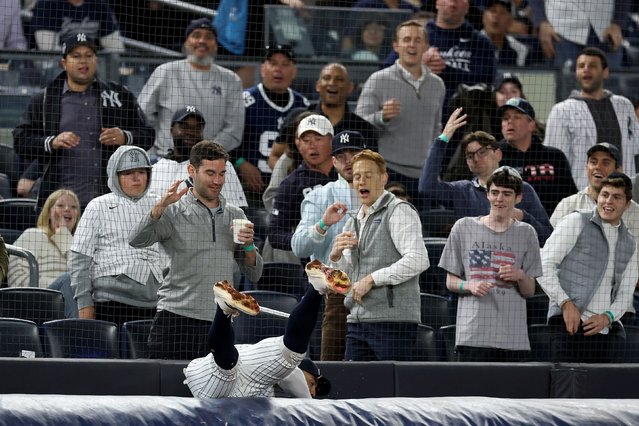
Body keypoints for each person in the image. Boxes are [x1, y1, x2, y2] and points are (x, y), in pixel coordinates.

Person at [130, 141, 263, 360]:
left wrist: (249, 246)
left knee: (218, 394)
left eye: (222, 173)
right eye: (210, 173)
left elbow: (254, 274)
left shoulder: (236, 214)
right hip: (175, 319)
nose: (217, 181)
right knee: (168, 394)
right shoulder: (173, 210)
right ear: (192, 170)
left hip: (220, 321)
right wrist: (159, 208)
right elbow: (136, 240)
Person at [13, 32, 155, 209]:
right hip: (60, 207)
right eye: (76, 56)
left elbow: (148, 135)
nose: (83, 61)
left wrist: (124, 137)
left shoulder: (119, 95)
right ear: (63, 63)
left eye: (89, 55)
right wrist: (52, 142)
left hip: (110, 204)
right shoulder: (43, 100)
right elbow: (20, 141)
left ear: (96, 60)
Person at [330, 149, 430, 361]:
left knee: (389, 392)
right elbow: (346, 278)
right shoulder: (353, 221)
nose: (361, 181)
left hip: (392, 323)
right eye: (357, 176)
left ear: (383, 178)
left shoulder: (399, 211)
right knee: (355, 391)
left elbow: (418, 259)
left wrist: (372, 279)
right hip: (357, 321)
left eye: (368, 175)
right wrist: (336, 256)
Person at [439, 166, 542, 361]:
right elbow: (450, 281)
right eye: (494, 192)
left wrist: (520, 275)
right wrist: (469, 285)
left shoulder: (527, 233)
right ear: (487, 194)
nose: (499, 199)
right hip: (473, 335)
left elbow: (529, 291)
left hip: (513, 337)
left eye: (506, 194)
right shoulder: (464, 227)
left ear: (518, 198)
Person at [539, 173, 638, 363]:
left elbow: (626, 292)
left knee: (598, 391)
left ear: (627, 204)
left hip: (604, 331)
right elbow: (544, 265)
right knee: (565, 389)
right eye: (605, 194)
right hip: (566, 325)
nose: (608, 201)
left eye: (616, 197)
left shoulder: (630, 243)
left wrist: (607, 317)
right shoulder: (575, 221)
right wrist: (565, 303)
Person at [184, 275, 335, 399]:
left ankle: (316, 288)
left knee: (291, 353)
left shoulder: (267, 379)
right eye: (313, 383)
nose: (313, 392)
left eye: (316, 392)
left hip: (248, 380)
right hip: (209, 381)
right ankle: (223, 312)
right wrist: (311, 405)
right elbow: (292, 376)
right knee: (226, 370)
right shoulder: (288, 372)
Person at [419, 108, 553, 245]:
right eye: (470, 155)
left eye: (482, 152)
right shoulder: (462, 191)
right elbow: (427, 187)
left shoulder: (523, 189)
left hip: (513, 262)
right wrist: (442, 139)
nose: (476, 158)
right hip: (473, 262)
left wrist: (524, 217)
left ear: (498, 154)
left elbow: (548, 238)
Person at [291, 130, 366, 361]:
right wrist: (322, 224)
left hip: (372, 292)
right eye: (342, 156)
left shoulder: (380, 197)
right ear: (333, 161)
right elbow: (298, 247)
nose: (349, 162)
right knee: (332, 368)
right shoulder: (320, 196)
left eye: (355, 155)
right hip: (333, 295)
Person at [69, 146, 164, 326]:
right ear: (115, 175)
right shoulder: (98, 206)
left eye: (141, 171)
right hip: (111, 303)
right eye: (128, 173)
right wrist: (84, 305)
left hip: (158, 303)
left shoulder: (160, 204)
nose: (136, 178)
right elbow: (79, 259)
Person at [356, 19, 445, 208]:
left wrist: (434, 170)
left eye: (417, 40)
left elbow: (437, 131)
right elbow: (358, 123)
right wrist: (382, 117)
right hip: (389, 173)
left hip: (425, 175)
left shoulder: (438, 85)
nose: (412, 45)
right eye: (406, 39)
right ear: (396, 46)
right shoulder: (378, 80)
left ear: (425, 46)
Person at [550, 143, 639, 325]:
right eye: (593, 161)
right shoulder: (568, 206)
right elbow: (549, 261)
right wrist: (565, 302)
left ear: (618, 170)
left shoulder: (635, 212)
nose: (598, 167)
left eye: (606, 162)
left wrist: (610, 314)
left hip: (619, 315)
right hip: (571, 313)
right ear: (586, 167)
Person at [138, 18, 244, 158]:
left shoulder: (231, 80)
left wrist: (204, 153)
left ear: (216, 45)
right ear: (186, 42)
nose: (202, 41)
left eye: (208, 37)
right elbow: (141, 115)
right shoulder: (166, 71)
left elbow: (234, 129)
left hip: (209, 165)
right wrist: (152, 155)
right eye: (196, 35)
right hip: (165, 160)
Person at [544, 47, 639, 190]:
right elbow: (555, 162)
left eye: (592, 66)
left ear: (605, 72)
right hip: (582, 194)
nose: (586, 69)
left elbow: (636, 150)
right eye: (581, 66)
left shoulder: (624, 105)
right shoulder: (561, 111)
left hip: (623, 194)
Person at [269, 63, 378, 169]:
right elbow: (275, 156)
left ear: (350, 88)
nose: (332, 83)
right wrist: (289, 179)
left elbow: (371, 167)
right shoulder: (298, 118)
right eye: (327, 78)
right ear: (318, 85)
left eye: (339, 79)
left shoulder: (364, 128)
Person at [234, 44, 309, 195]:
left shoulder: (303, 105)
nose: (278, 69)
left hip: (289, 190)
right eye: (273, 63)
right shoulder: (244, 100)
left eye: (285, 64)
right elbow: (227, 140)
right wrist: (240, 163)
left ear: (294, 72)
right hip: (248, 189)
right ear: (262, 69)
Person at [267, 115, 337, 267]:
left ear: (331, 140)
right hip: (312, 267)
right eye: (306, 140)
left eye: (318, 138)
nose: (312, 145)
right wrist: (304, 241)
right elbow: (275, 234)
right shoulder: (290, 185)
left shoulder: (347, 174)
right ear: (299, 146)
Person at [149, 106, 247, 209]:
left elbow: (239, 211)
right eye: (184, 127)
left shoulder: (220, 165)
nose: (191, 132)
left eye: (197, 128)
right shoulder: (154, 168)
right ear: (171, 130)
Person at [497, 97, 577, 216]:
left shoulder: (554, 157)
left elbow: (570, 198)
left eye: (517, 117)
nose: (509, 121)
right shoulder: (494, 156)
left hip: (551, 228)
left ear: (532, 125)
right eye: (505, 118)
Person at [8, 190, 80, 288]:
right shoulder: (32, 235)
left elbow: (83, 278)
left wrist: (63, 236)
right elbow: (17, 278)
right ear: (49, 212)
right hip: (40, 298)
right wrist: (59, 289)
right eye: (60, 205)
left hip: (74, 299)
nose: (67, 209)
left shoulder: (81, 245)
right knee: (67, 279)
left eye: (73, 207)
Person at [530, 0, 628, 69]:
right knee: (563, 90)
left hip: (605, 29)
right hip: (561, 29)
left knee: (608, 92)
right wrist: (541, 21)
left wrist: (618, 22)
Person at [31, 0, 125, 53]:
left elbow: (115, 47)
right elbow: (48, 50)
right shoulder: (47, 4)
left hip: (93, 68)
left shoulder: (100, 4)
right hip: (58, 68)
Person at [481, 0, 535, 66]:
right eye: (493, 11)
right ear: (483, 17)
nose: (496, 16)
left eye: (502, 13)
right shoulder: (470, 44)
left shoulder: (522, 50)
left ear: (510, 20)